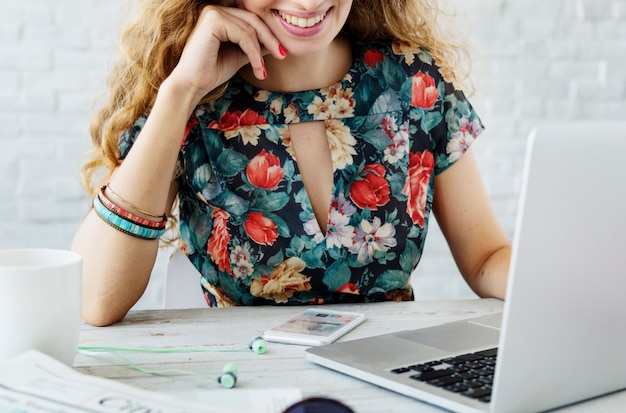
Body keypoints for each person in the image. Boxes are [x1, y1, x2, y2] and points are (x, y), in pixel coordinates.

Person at [72, 0, 512, 327]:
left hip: (389, 377)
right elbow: (93, 298)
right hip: (237, 379)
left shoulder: (415, 84)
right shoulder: (192, 102)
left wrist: (565, 286)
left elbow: (487, 257)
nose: (307, 2)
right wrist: (181, 90)